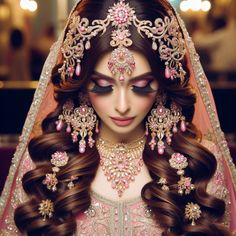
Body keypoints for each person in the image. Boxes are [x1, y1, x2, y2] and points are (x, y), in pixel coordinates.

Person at [0, 0, 235, 235]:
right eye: (103, 86)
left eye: (141, 85)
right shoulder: (44, 166)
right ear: (81, 85)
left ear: (163, 84)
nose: (122, 106)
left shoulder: (200, 166)